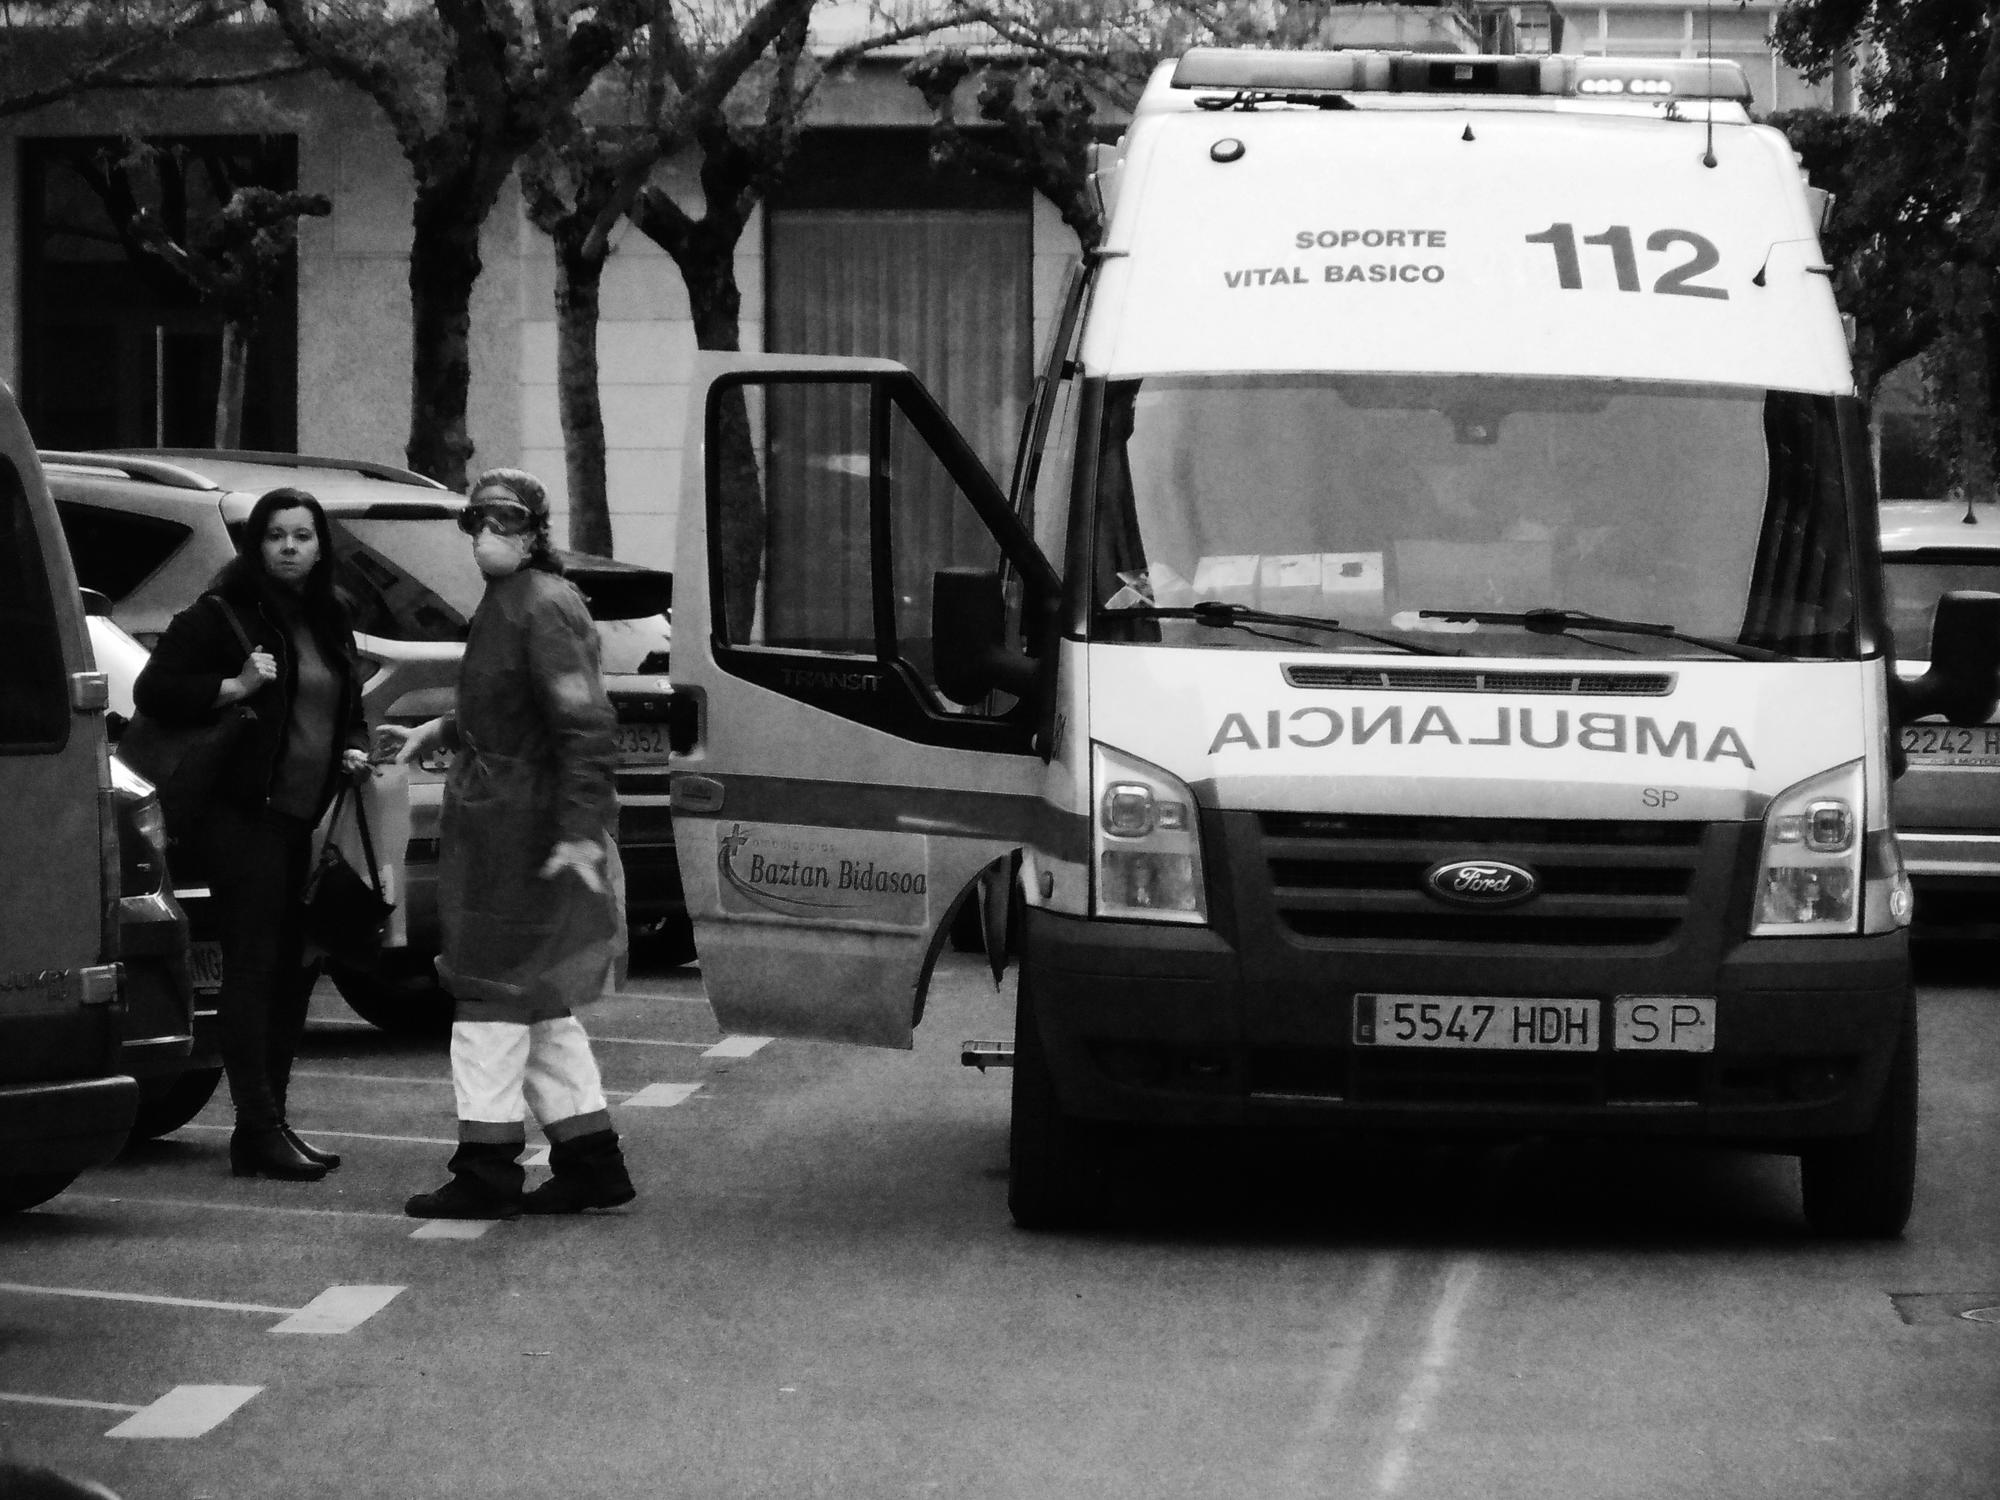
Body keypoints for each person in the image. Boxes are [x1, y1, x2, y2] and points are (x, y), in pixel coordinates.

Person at [383, 467, 634, 1219]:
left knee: (489, 999)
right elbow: (514, 703)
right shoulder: (520, 601)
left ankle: (487, 1169)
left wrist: (580, 834)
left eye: (505, 524)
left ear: (533, 531)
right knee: (539, 1001)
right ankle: (593, 1163)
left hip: (521, 834)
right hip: (509, 825)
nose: (488, 537)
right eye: (479, 523)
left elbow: (583, 728)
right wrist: (446, 728)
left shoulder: (539, 606)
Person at [133, 487, 371, 1182]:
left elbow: (343, 703)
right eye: (276, 536)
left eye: (302, 535)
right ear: (256, 545)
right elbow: (154, 692)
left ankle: (274, 1120)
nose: (290, 547)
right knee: (255, 968)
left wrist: (351, 747)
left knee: (297, 969)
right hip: (243, 817)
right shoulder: (220, 616)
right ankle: (256, 1128)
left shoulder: (332, 617)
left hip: (306, 819)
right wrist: (234, 687)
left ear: (321, 545)